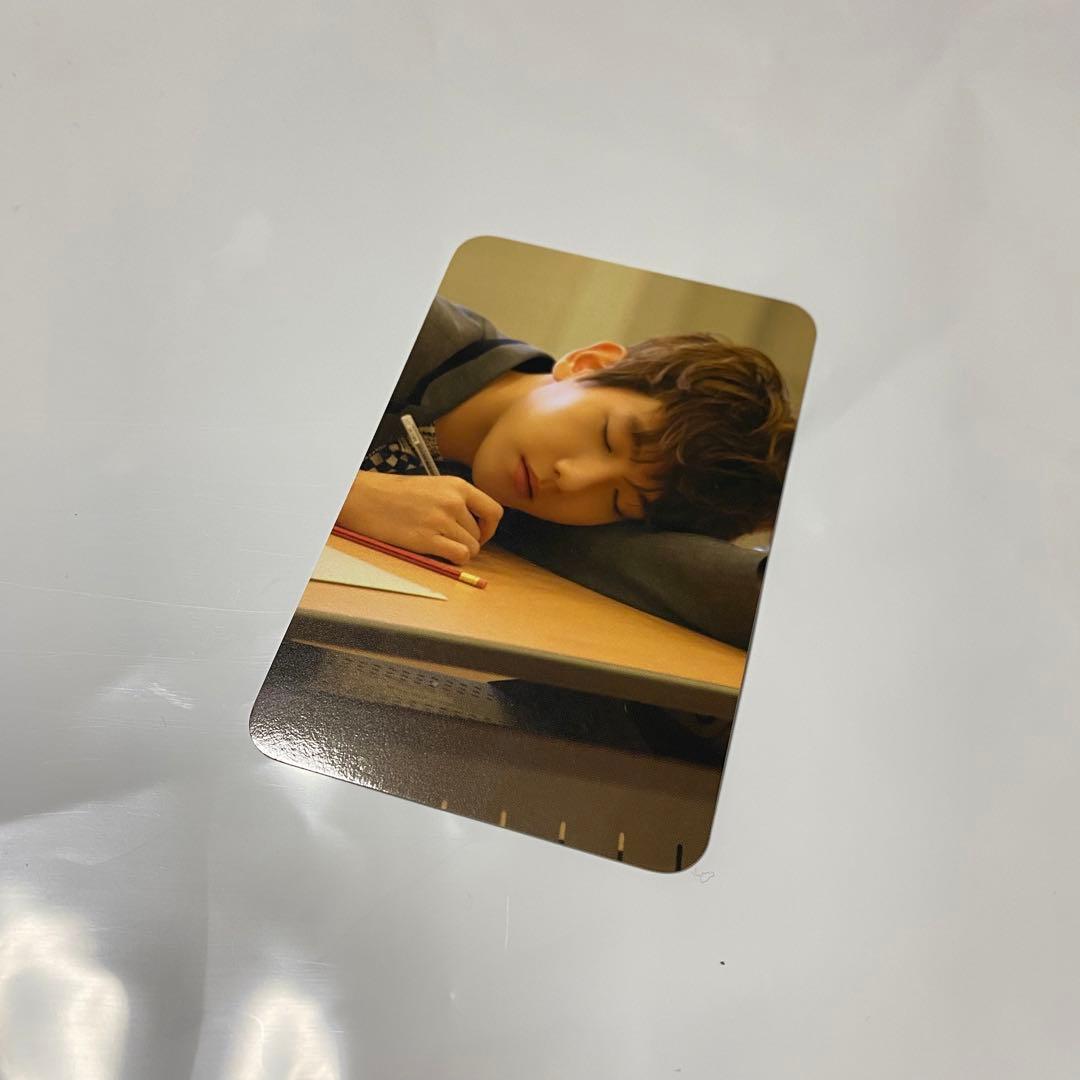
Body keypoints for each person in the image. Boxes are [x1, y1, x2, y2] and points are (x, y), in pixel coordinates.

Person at [338, 295, 795, 646]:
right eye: (607, 436)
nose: (574, 479)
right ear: (588, 364)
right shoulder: (400, 319)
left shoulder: (534, 515)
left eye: (617, 501)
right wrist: (344, 495)